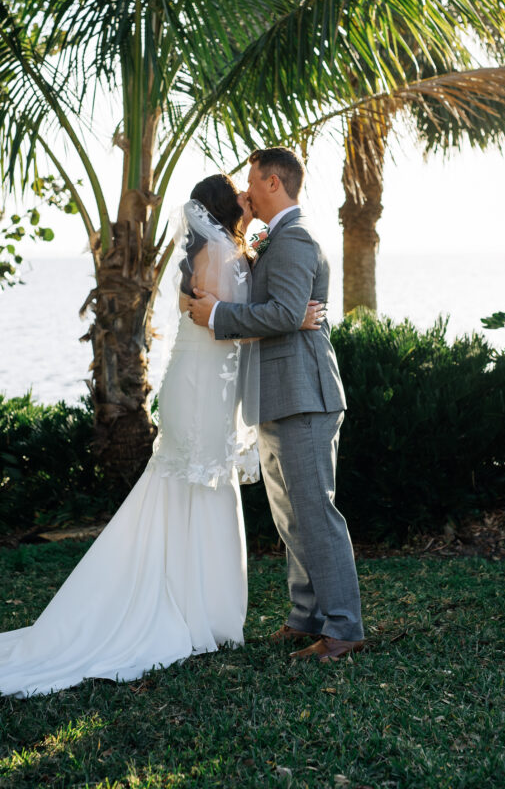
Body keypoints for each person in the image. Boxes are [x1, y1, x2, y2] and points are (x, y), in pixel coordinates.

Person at [0, 174, 323, 701]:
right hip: (199, 390)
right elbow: (217, 320)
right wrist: (295, 323)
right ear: (223, 210)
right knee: (195, 484)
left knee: (200, 487)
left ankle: (199, 605)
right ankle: (187, 609)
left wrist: (270, 310)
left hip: (209, 390)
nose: (249, 200)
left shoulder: (231, 248)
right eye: (241, 197)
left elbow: (228, 307)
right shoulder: (218, 253)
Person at [189, 148, 364, 661]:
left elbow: (287, 311)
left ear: (271, 182)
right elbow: (286, 310)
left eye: (250, 183)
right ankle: (305, 617)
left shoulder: (295, 237)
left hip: (303, 395)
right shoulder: (277, 238)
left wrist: (220, 314)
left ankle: (343, 629)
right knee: (290, 516)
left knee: (314, 513)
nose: (244, 192)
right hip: (278, 393)